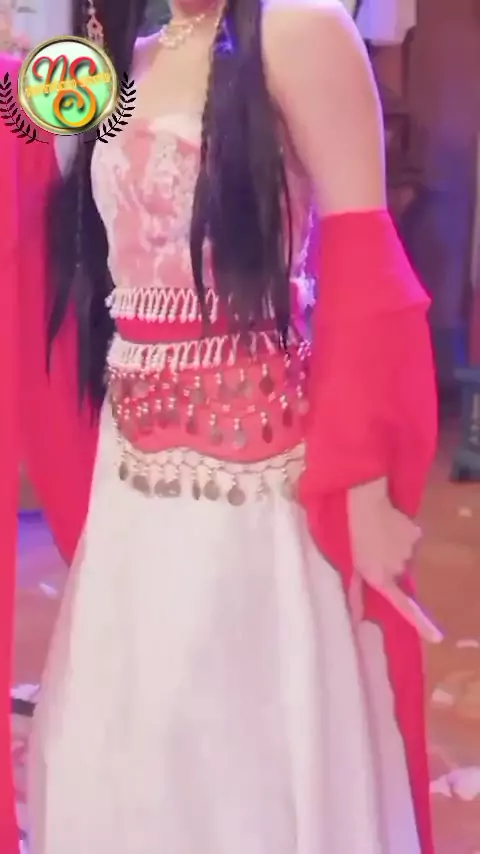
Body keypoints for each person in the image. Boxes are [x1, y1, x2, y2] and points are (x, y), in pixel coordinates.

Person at [4, 0, 440, 850]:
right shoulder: (124, 61)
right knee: (130, 724)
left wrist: (364, 480)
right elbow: (19, 133)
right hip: (131, 482)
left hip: (256, 489)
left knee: (234, 735)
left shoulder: (302, 32)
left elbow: (364, 261)